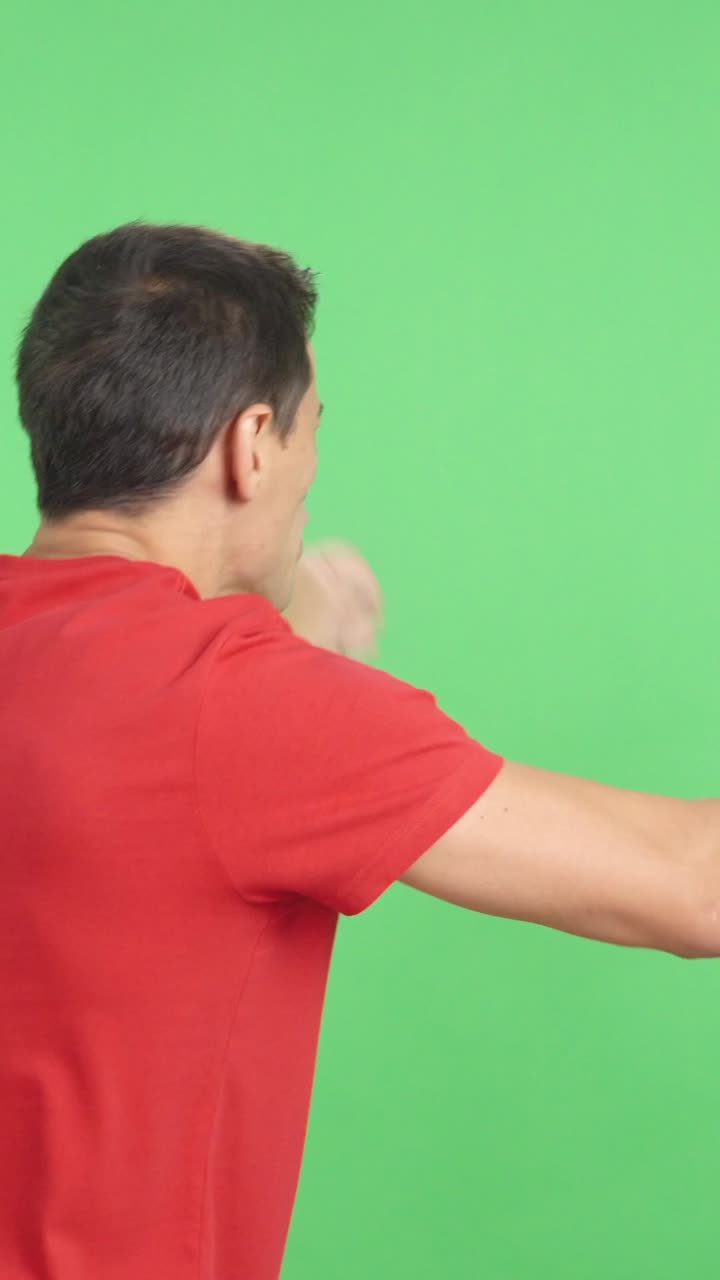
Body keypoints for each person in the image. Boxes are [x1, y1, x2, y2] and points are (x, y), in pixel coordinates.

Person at [0, 221, 716, 1280]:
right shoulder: (242, 703)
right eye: (309, 431)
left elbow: (132, 744)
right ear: (251, 447)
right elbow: (696, 886)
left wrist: (301, 615)